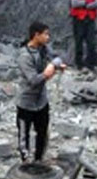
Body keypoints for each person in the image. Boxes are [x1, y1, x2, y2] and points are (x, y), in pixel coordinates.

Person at [16, 22, 65, 163]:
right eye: (45, 34)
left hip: (41, 101)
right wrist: (47, 73)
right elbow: (33, 80)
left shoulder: (44, 49)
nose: (48, 37)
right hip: (26, 102)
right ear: (36, 35)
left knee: (42, 132)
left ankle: (39, 159)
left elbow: (57, 58)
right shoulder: (25, 56)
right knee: (24, 135)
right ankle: (25, 161)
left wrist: (54, 65)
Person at [70, 0, 97, 70]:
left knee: (91, 42)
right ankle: (79, 63)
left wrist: (83, 3)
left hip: (90, 18)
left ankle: (90, 63)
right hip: (78, 19)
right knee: (78, 41)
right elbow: (74, 3)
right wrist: (88, 3)